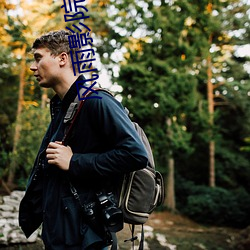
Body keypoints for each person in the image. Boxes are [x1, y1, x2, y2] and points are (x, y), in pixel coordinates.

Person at [19, 30, 148, 250]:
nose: (33, 67)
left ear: (62, 58)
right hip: (61, 236)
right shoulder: (62, 107)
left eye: (39, 58)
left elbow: (135, 155)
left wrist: (74, 161)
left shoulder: (97, 101)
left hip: (88, 240)